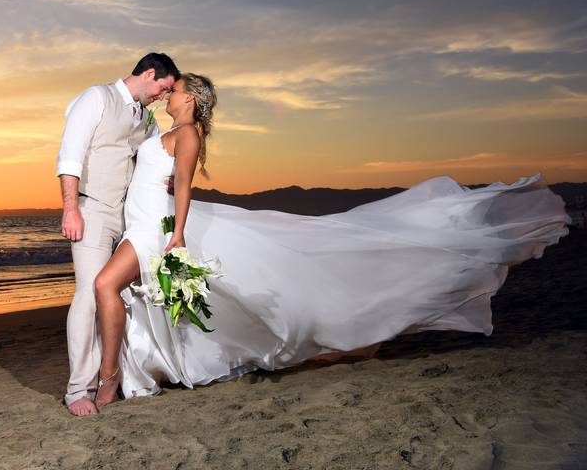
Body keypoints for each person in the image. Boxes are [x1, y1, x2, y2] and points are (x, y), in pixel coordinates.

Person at [91, 73, 572, 408]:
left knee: (105, 287)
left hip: (155, 226)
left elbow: (185, 185)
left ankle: (109, 381)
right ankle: (132, 372)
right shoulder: (168, 128)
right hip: (143, 220)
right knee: (171, 298)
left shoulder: (188, 133)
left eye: (174, 92)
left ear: (191, 98)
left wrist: (176, 235)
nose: (168, 96)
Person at [56, 52, 180, 416]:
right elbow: (70, 155)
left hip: (129, 216)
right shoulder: (97, 97)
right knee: (89, 295)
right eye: (163, 87)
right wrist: (70, 208)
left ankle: (122, 372)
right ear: (150, 73)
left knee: (124, 295)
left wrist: (169, 177)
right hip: (91, 209)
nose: (162, 95)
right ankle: (79, 389)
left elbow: (155, 155)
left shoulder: (147, 119)